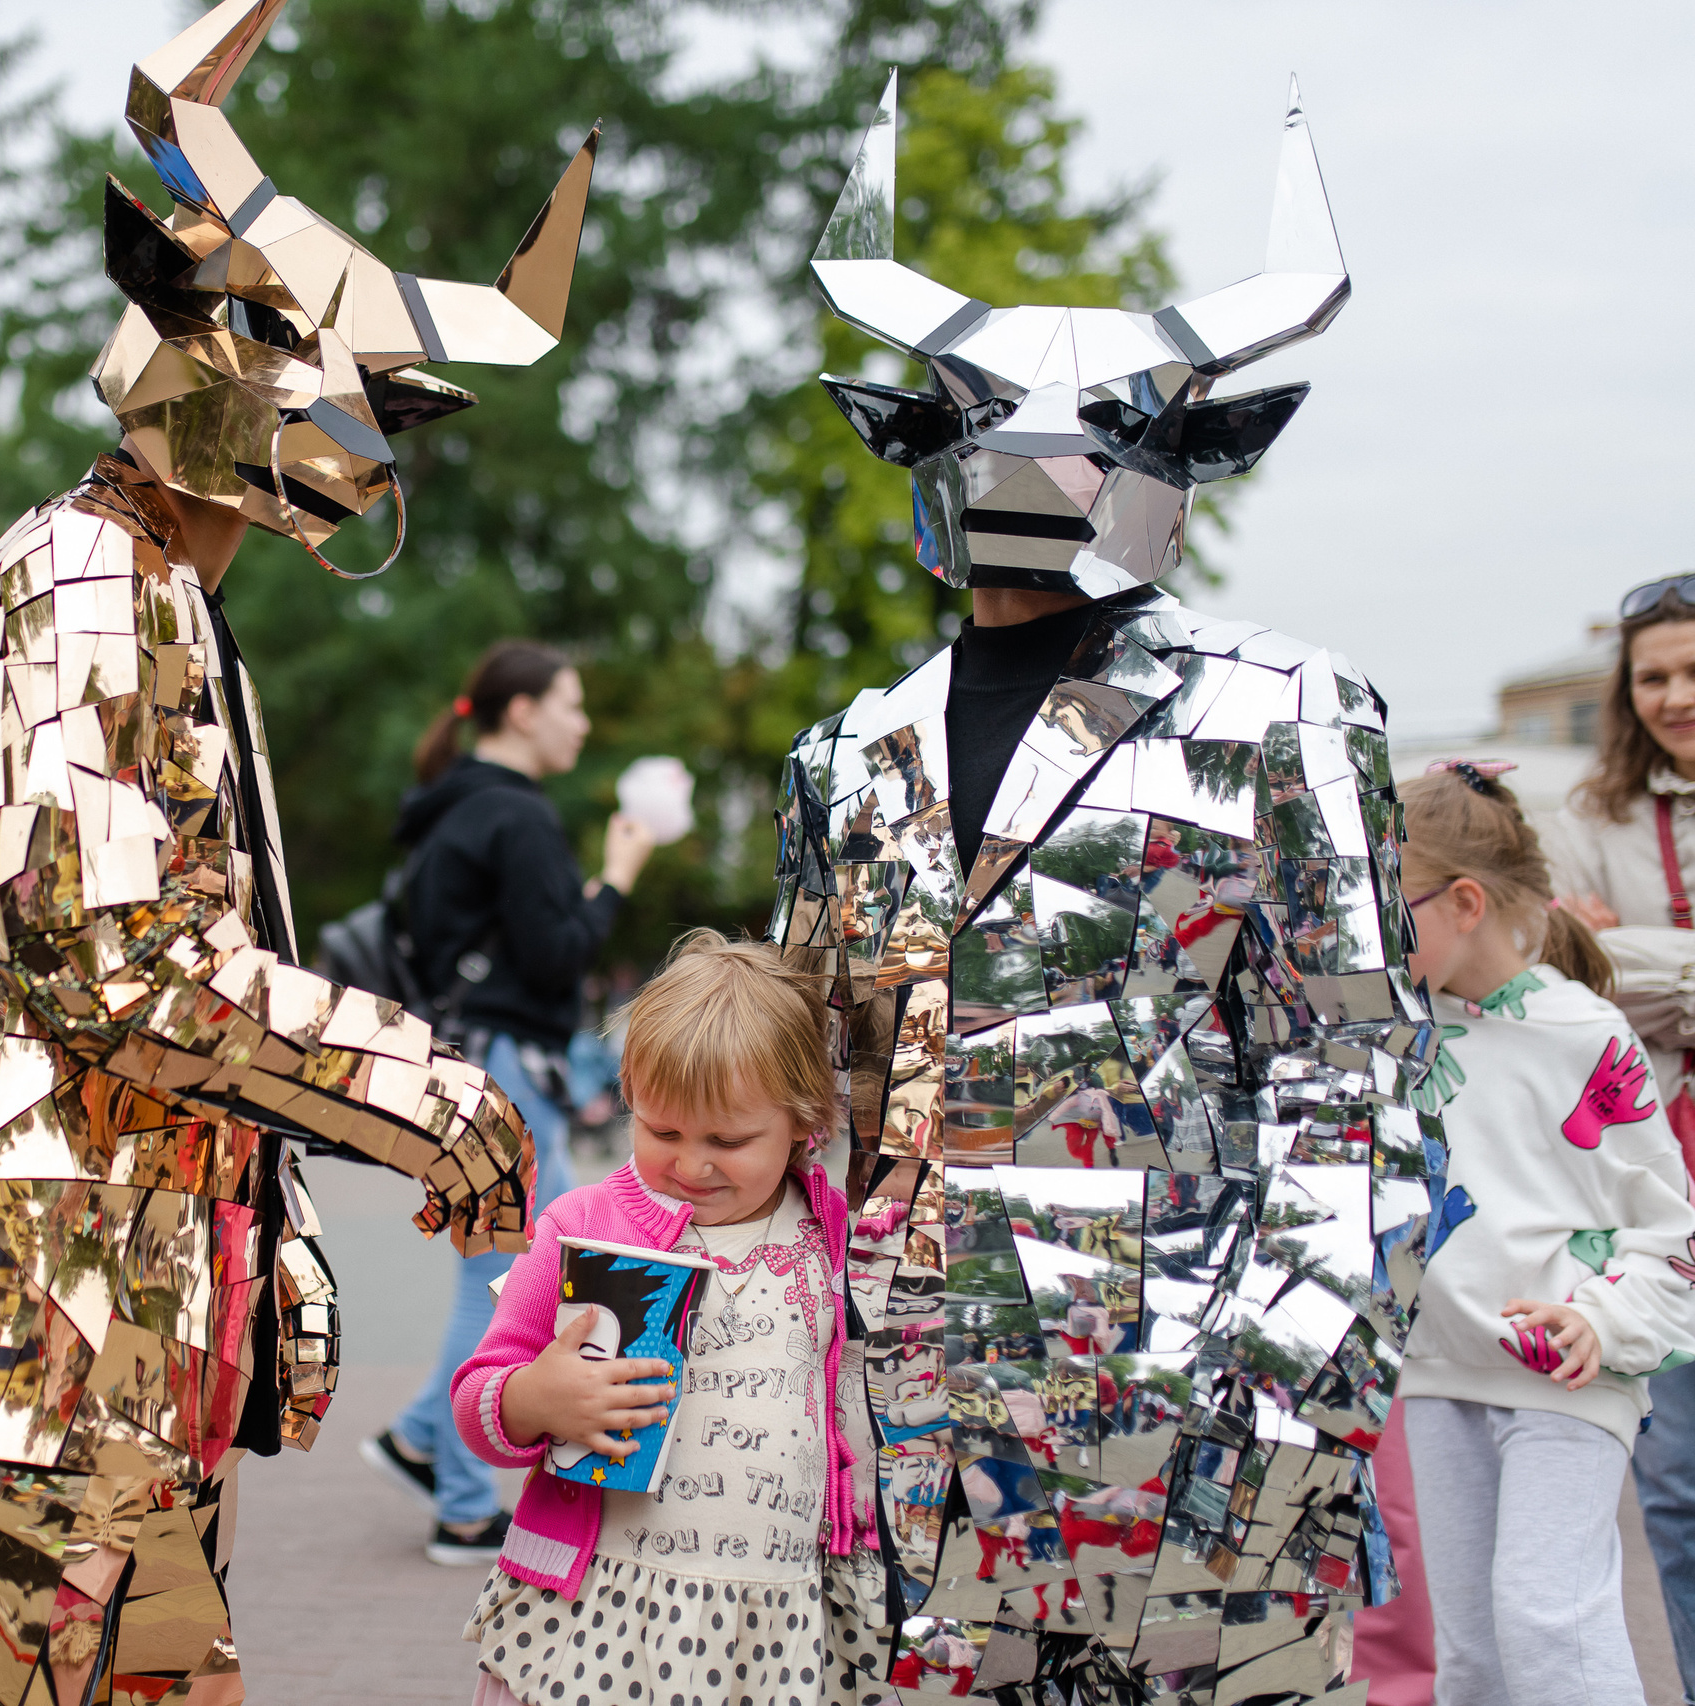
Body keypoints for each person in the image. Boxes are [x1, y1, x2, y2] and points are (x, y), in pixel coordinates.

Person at [0, 8, 593, 1698]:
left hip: (94, 1312)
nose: (375, 446)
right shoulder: (85, 590)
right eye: (358, 396)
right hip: (19, 1319)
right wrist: (428, 1093)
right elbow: (123, 971)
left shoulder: (155, 592)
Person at [780, 75, 1424, 1696]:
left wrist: (1277, 1423)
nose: (1037, 480)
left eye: (1092, 445)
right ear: (913, 447)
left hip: (1200, 1436)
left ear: (1179, 459)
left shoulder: (1280, 707)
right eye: (982, 433)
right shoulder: (848, 754)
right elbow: (809, 1101)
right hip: (921, 1438)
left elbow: (1355, 1087)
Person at [450, 930, 861, 1706]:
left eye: (730, 1141)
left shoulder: (831, 1234)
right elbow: (477, 1398)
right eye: (662, 1132)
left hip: (770, 1622)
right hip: (600, 1611)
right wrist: (537, 1397)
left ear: (805, 1120)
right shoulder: (583, 1224)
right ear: (630, 1095)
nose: (693, 1164)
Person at [1394, 763, 1695, 1706]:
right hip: (1442, 1372)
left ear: (1466, 902)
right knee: (1475, 1657)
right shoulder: (1391, 1033)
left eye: (1385, 903)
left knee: (1547, 1620)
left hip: (1572, 1370)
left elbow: (1671, 1233)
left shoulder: (1587, 1034)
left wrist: (1604, 1325)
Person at [360, 640, 654, 1565]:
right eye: (571, 703)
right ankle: (457, 1501)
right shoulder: (515, 817)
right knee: (504, 1274)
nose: (585, 722)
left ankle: (420, 1438)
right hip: (509, 1073)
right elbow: (558, 955)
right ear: (520, 711)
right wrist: (617, 874)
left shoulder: (450, 810)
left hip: (462, 1064)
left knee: (500, 1261)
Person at [1540, 573, 1695, 1702]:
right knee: (1678, 1483)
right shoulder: (1586, 821)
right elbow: (1570, 979)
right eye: (1653, 675)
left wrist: (1635, 952)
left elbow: (1617, 970)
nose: (1674, 695)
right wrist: (1610, 958)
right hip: (1658, 1177)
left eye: (1692, 671)